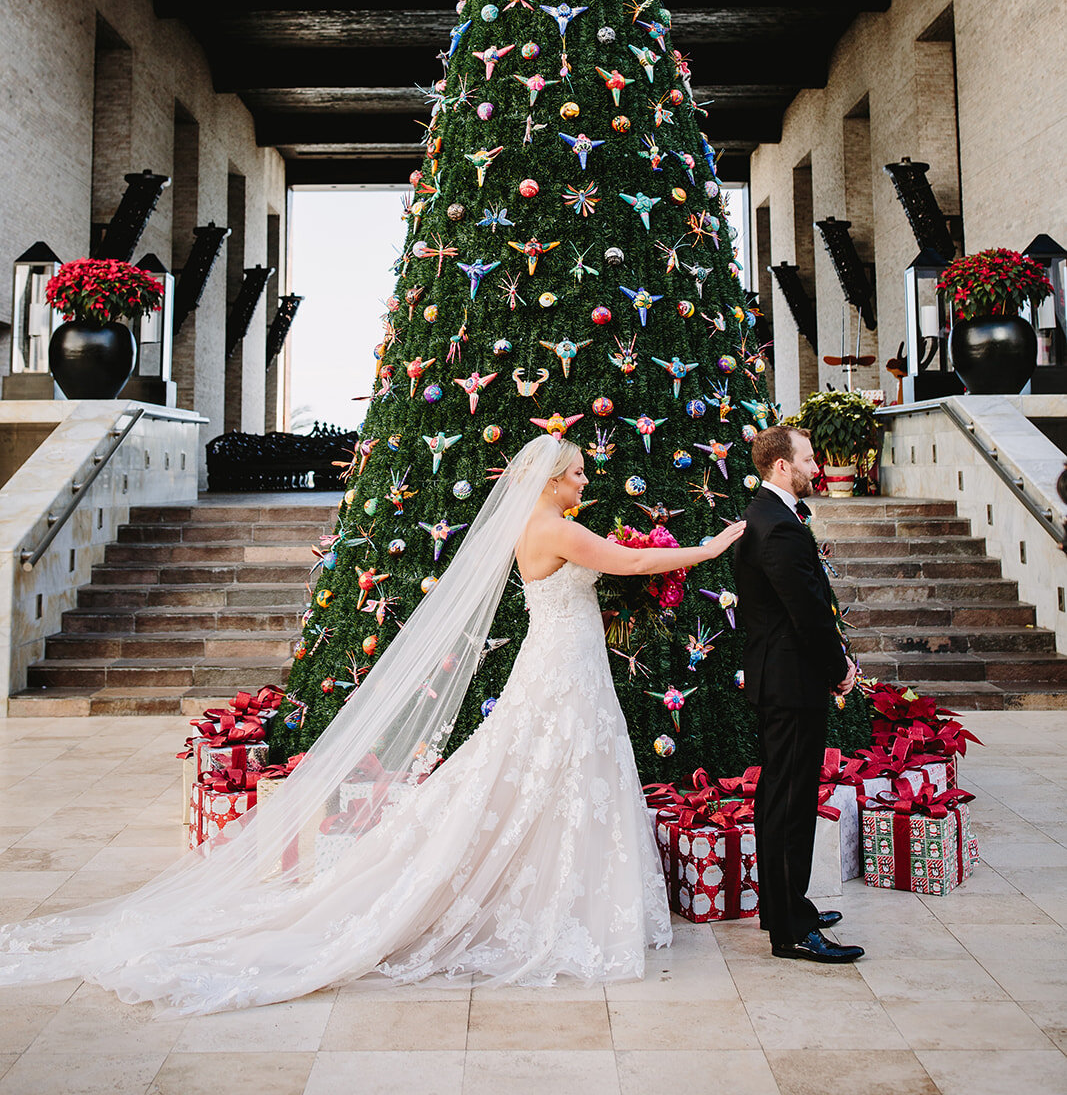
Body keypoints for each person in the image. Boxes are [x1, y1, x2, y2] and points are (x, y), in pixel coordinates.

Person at [0, 435, 744, 1014]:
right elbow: (627, 563)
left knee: (548, 767)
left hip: (562, 659)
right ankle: (554, 901)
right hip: (562, 667)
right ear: (551, 479)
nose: (585, 481)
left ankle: (556, 889)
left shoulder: (538, 523)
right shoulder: (558, 529)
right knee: (553, 764)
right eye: (577, 472)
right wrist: (709, 547)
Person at [732, 424, 865, 964]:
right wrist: (838, 668)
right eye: (810, 459)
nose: (817, 467)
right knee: (789, 803)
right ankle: (791, 928)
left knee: (779, 797)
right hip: (791, 681)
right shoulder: (780, 526)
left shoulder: (768, 515)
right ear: (782, 466)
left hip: (780, 677)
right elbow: (807, 609)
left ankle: (782, 907)